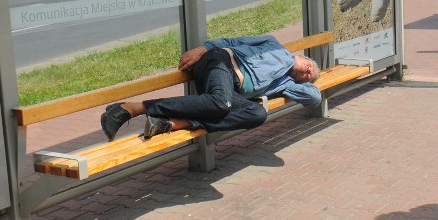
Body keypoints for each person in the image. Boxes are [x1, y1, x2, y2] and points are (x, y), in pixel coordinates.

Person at [101, 35, 321, 141]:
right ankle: (133, 108)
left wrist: (301, 79)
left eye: (310, 74)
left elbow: (315, 97)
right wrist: (203, 49)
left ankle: (173, 123)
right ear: (300, 55)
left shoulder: (287, 84)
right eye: (309, 64)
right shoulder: (274, 45)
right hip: (220, 61)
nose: (309, 70)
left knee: (257, 113)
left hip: (228, 91)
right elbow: (232, 41)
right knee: (220, 102)